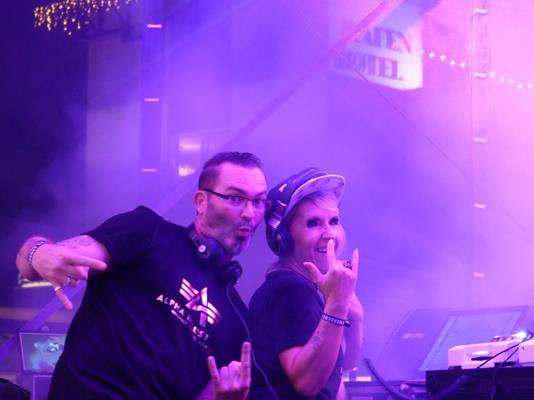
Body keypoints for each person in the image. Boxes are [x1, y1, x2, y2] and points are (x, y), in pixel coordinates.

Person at [16, 151, 268, 400]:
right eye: (235, 198)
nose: (249, 213)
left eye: (258, 202)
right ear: (201, 201)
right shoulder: (148, 232)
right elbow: (36, 259)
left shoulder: (237, 321)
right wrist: (38, 253)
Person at [248, 168, 364, 399]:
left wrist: (355, 314)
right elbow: (307, 383)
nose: (329, 234)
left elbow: (345, 364)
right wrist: (337, 304)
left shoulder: (307, 289)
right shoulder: (290, 291)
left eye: (333, 221)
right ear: (284, 237)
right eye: (313, 223)